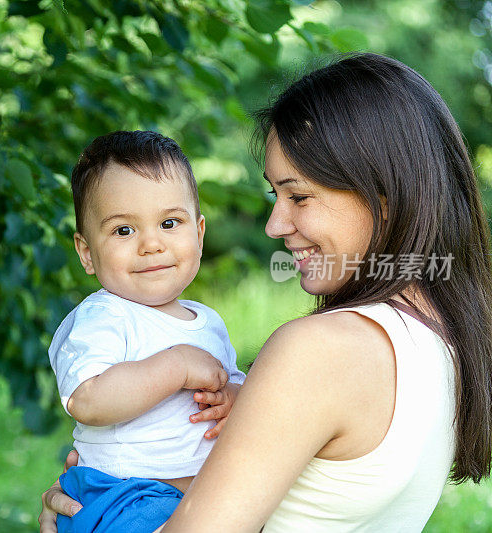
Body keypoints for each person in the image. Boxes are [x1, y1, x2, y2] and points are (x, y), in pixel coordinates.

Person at [39, 53, 492, 532]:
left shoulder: (323, 350)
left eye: (298, 196)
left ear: (383, 195)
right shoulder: (442, 343)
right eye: (274, 196)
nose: (275, 225)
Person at [48, 130, 246, 532]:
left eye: (170, 223)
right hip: (123, 495)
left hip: (196, 494)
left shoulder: (207, 322)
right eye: (124, 230)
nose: (151, 244)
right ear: (87, 252)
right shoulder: (103, 317)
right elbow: (87, 399)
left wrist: (231, 396)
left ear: (200, 234)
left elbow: (241, 397)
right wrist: (176, 367)